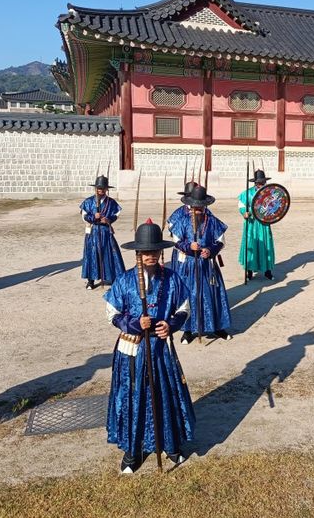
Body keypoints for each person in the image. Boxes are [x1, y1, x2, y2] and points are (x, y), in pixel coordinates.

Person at [105, 219, 194, 473]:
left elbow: (183, 308)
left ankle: (170, 443)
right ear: (138, 253)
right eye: (146, 252)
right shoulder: (124, 281)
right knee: (134, 396)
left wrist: (172, 324)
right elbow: (111, 312)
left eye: (155, 251)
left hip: (160, 349)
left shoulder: (172, 279)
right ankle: (133, 450)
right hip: (133, 350)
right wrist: (133, 323)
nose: (151, 256)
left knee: (164, 393)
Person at [168, 185, 232, 342]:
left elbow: (220, 242)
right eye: (195, 207)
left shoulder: (212, 221)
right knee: (190, 295)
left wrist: (210, 250)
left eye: (200, 207)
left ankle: (217, 327)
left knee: (213, 294)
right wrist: (189, 246)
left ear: (205, 206)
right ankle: (188, 330)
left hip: (207, 265)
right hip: (188, 265)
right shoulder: (182, 221)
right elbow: (176, 241)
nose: (197, 210)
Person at [80, 175, 125, 290]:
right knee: (92, 254)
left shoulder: (111, 202)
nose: (101, 190)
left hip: (105, 231)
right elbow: (84, 216)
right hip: (93, 231)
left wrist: (108, 220)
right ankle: (91, 280)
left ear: (106, 189)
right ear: (95, 188)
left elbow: (117, 214)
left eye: (103, 188)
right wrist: (93, 216)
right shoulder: (88, 201)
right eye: (99, 188)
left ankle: (112, 278)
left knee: (109, 253)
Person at [239, 169, 275, 280]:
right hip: (251, 223)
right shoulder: (247, 193)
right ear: (255, 182)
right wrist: (244, 212)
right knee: (251, 245)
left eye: (262, 182)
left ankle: (267, 271)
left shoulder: (270, 193)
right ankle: (249, 271)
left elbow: (275, 206)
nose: (260, 184)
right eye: (258, 182)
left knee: (266, 245)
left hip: (264, 223)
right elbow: (241, 205)